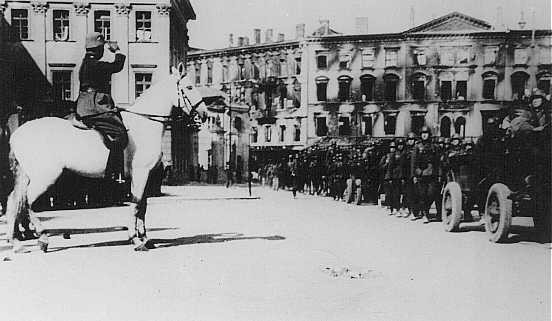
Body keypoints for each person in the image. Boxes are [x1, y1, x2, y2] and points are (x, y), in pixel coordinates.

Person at [74, 32, 127, 179]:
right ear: (98, 49)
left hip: (84, 103)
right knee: (119, 133)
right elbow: (117, 66)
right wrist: (117, 51)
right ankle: (113, 173)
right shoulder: (96, 65)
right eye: (102, 48)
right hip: (95, 105)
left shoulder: (85, 64)